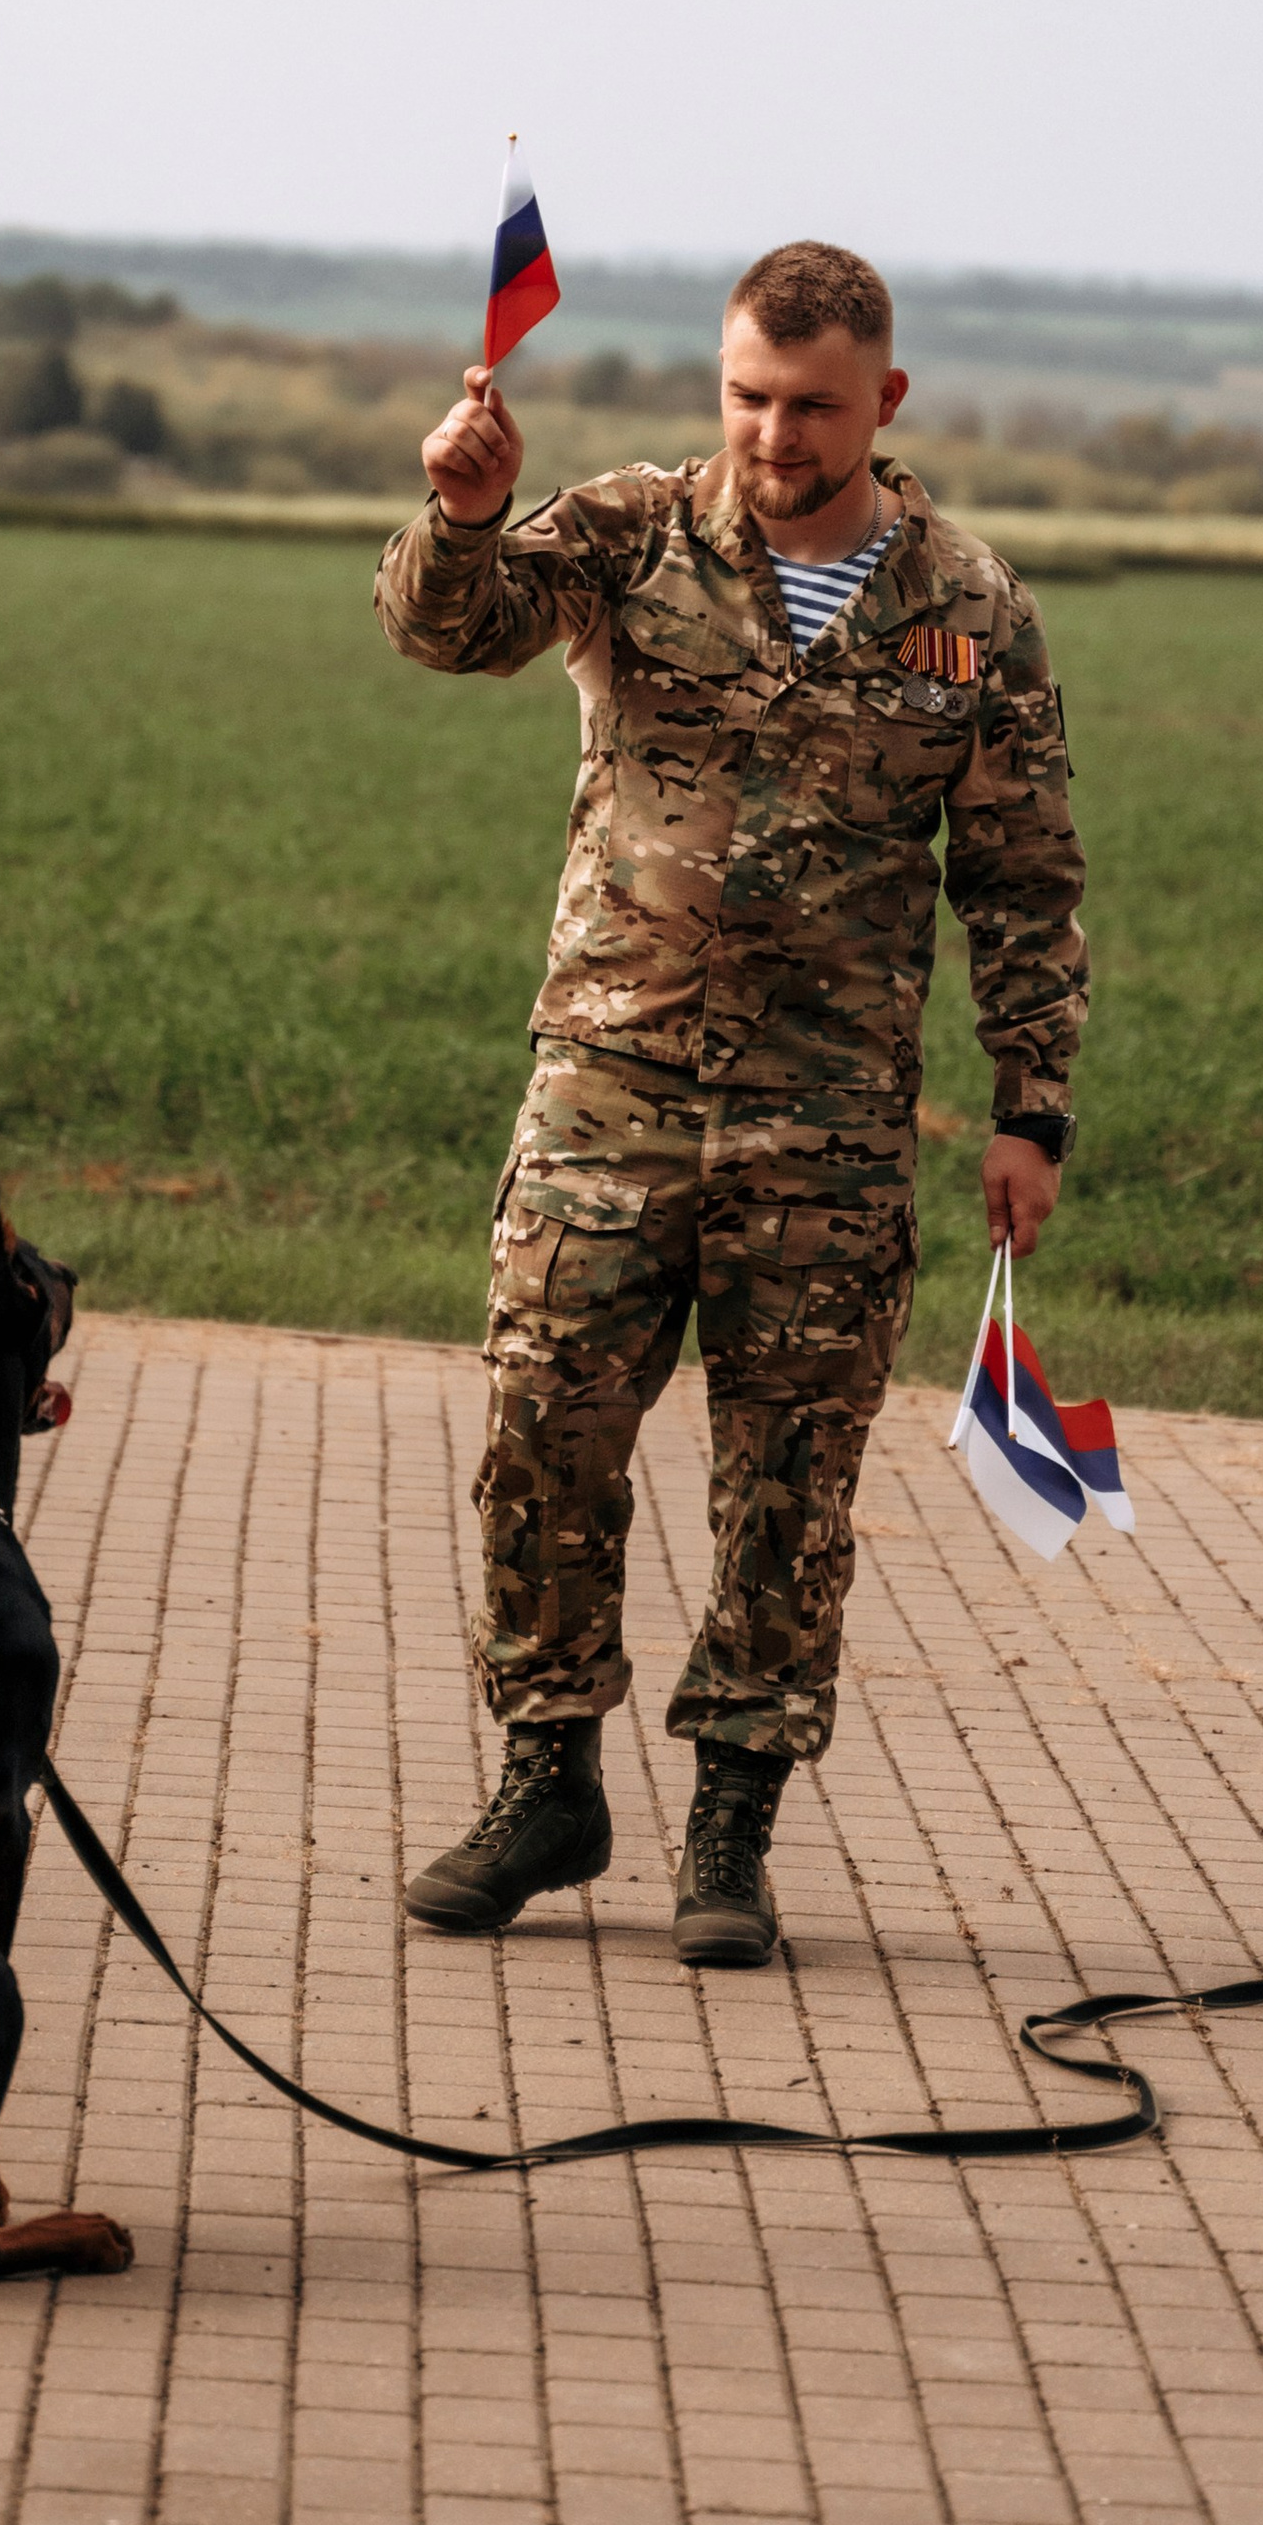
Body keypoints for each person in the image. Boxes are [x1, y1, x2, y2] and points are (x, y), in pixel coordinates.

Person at [373, 238, 1086, 1966]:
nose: (776, 436)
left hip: (825, 1126)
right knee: (545, 1429)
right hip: (606, 1092)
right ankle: (548, 1783)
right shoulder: (627, 536)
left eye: (814, 406)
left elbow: (1022, 875)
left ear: (886, 402)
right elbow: (447, 632)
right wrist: (463, 519)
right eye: (751, 398)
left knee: (788, 1485)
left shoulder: (969, 610)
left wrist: (1030, 1110)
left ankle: (732, 1830)